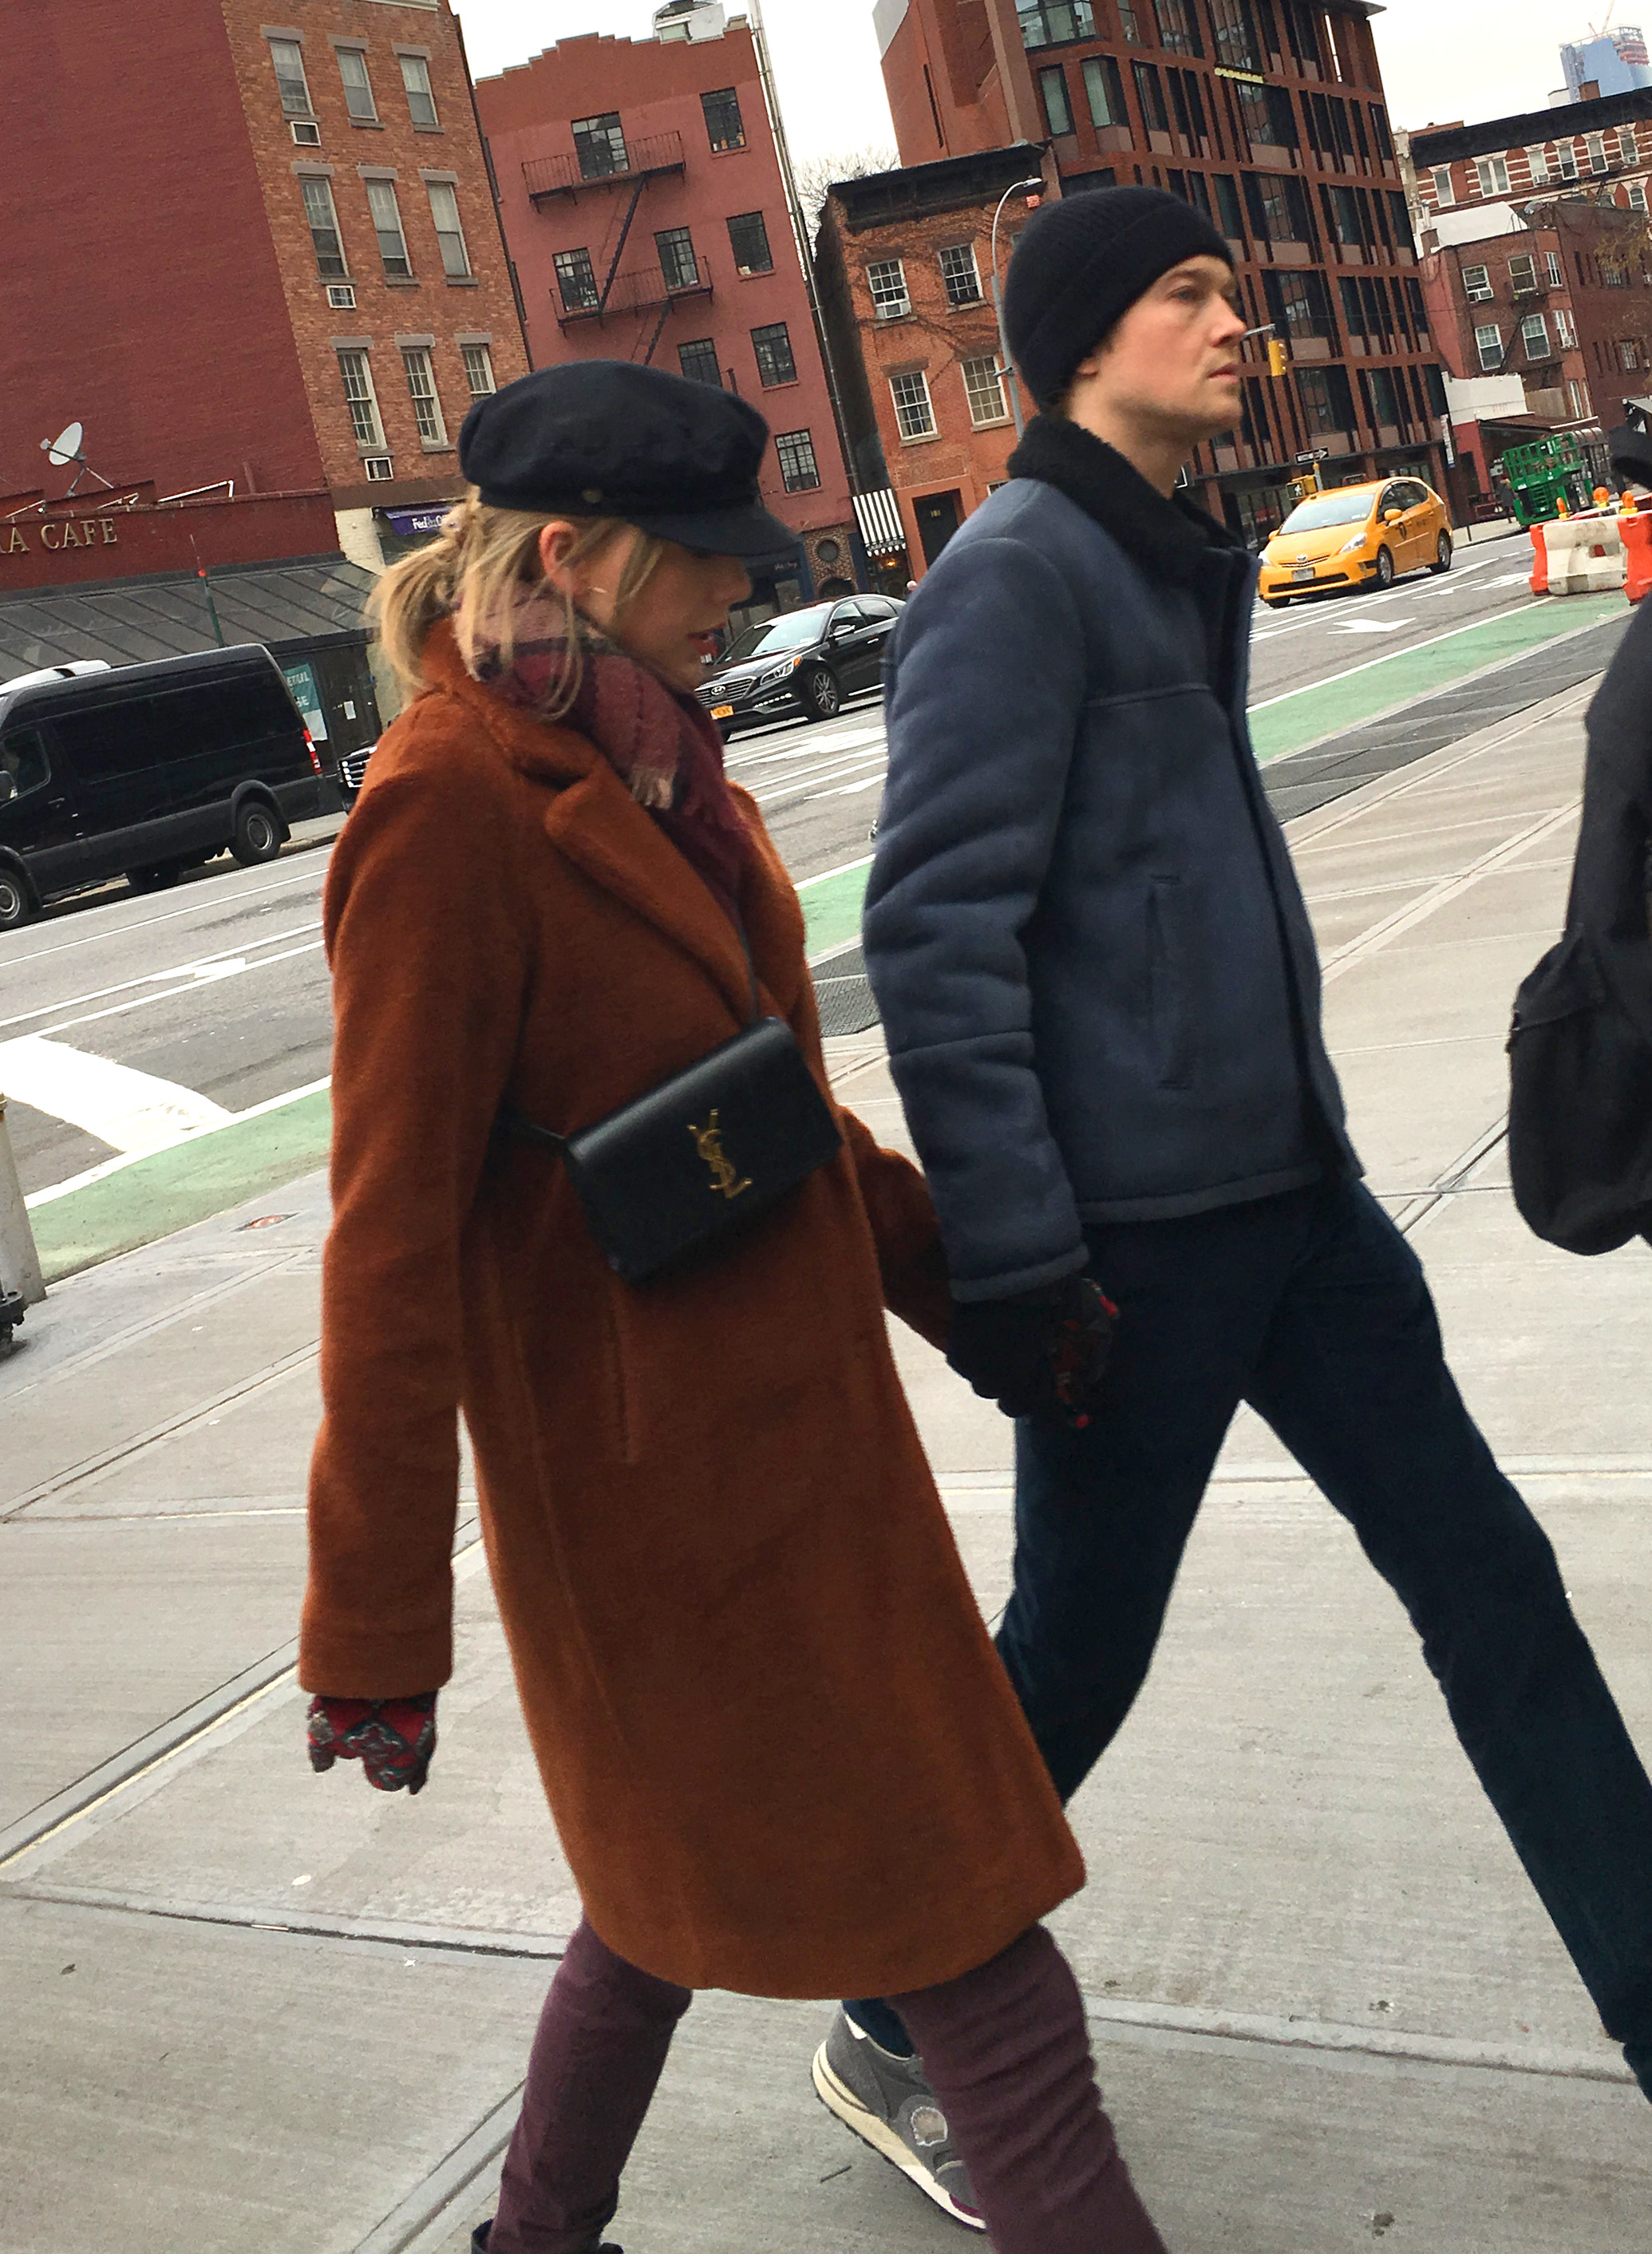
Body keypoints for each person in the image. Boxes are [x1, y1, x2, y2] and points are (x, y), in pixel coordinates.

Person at [812, 184, 1652, 2218]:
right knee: (1075, 1661)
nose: (1235, 324)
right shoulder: (1013, 581)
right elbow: (937, 937)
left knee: (1496, 1589)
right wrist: (1019, 1262)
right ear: (1084, 344)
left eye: (1234, 292)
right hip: (1132, 1257)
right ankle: (898, 2006)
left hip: (1296, 1208)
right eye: (1192, 296)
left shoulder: (1171, 557)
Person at [299, 360, 1172, 2254]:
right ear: (572, 556)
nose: (740, 599)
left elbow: (764, 1105)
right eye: (704, 565)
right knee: (975, 1950)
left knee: (657, 1892)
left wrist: (975, 1293)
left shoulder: (664, 762)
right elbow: (387, 1244)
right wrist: (372, 1618)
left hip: (809, 1479)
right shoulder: (446, 811)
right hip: (664, 1524)